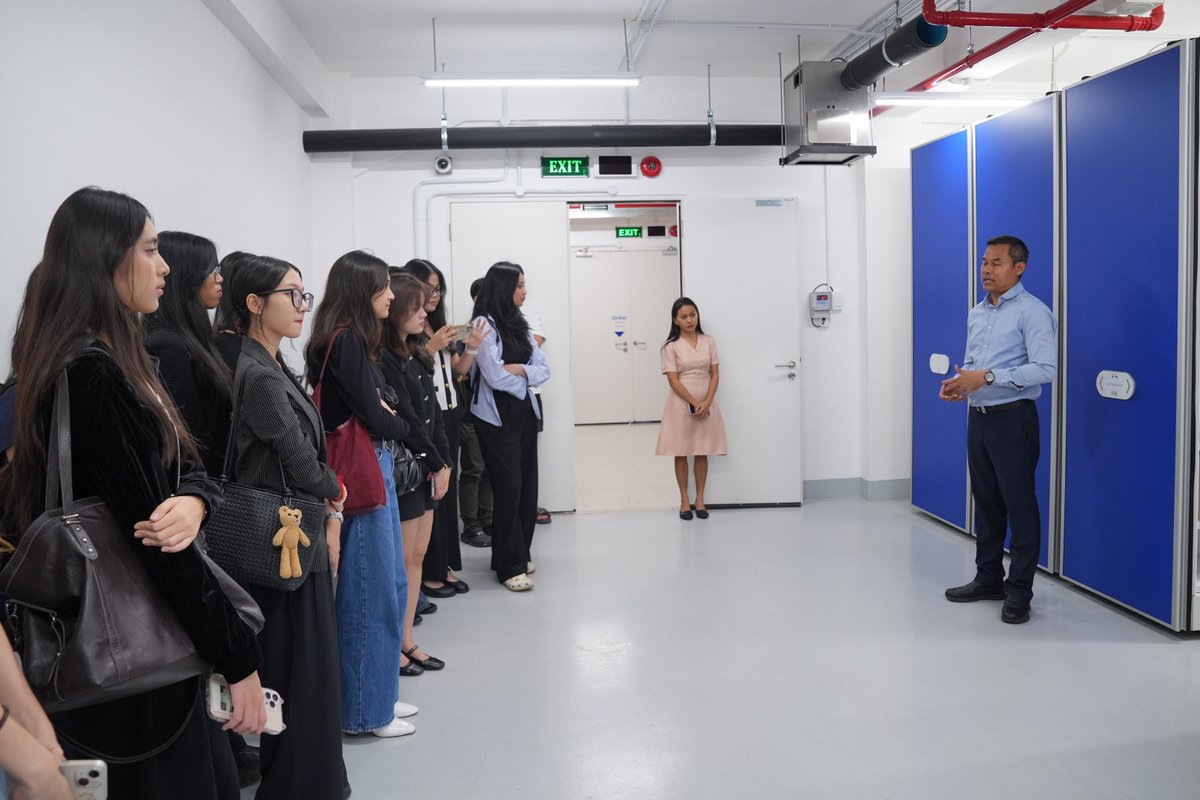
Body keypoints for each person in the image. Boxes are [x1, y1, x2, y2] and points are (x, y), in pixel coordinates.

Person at [0, 187, 266, 798]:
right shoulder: (89, 375)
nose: (165, 265)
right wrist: (238, 658)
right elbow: (156, 545)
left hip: (116, 650)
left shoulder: (111, 363)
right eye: (150, 249)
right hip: (128, 661)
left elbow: (187, 466)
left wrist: (195, 500)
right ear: (105, 260)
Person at [225, 254, 355, 797]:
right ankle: (300, 784)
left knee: (309, 666)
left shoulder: (271, 363)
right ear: (255, 304)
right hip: (282, 538)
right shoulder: (256, 372)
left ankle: (311, 779)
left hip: (296, 532)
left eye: (305, 295)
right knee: (299, 668)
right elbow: (299, 460)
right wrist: (335, 492)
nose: (303, 306)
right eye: (292, 295)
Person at [144, 232, 260, 787]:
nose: (220, 280)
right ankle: (228, 748)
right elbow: (185, 445)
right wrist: (199, 498)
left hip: (208, 500)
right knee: (208, 629)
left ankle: (230, 747)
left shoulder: (195, 340)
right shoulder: (168, 345)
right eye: (212, 270)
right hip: (196, 507)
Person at [304, 250, 414, 737]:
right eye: (384, 286)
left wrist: (393, 416)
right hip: (364, 473)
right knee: (369, 595)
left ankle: (380, 694)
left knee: (388, 586)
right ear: (361, 291)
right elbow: (376, 414)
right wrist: (401, 421)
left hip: (374, 467)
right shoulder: (345, 342)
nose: (391, 295)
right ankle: (366, 712)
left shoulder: (349, 341)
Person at [940, 235, 1057, 625]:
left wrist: (986, 376)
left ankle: (1019, 591)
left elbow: (1045, 369)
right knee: (987, 504)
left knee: (1020, 507)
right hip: (980, 418)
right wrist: (962, 384)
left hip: (1014, 420)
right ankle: (989, 578)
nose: (986, 270)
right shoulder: (978, 312)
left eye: (996, 263)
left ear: (1018, 267)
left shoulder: (1033, 312)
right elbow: (974, 363)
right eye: (984, 263)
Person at [380, 271, 463, 676]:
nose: (423, 313)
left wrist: (444, 461)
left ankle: (407, 639)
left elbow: (435, 417)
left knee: (416, 556)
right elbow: (409, 421)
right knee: (401, 560)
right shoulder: (385, 361)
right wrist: (435, 463)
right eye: (414, 307)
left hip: (428, 465)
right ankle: (394, 642)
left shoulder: (416, 354)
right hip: (409, 469)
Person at [468, 262, 550, 591]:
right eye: (519, 285)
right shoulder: (483, 323)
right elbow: (493, 375)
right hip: (495, 416)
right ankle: (508, 565)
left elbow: (543, 368)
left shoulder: (520, 322)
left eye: (525, 285)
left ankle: (519, 551)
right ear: (503, 288)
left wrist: (521, 371)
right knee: (509, 487)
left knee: (528, 485)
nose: (524, 291)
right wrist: (521, 375)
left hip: (524, 412)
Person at [401, 259, 468, 597]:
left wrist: (470, 349)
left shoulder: (437, 325)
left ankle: (444, 565)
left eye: (439, 288)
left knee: (447, 491)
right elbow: (411, 371)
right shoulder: (409, 331)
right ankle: (430, 571)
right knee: (431, 494)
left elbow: (457, 373)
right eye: (429, 287)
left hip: (448, 412)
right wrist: (433, 347)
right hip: (425, 416)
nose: (435, 295)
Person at [655, 297, 728, 519]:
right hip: (680, 404)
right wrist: (694, 402)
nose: (689, 320)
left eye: (692, 315)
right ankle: (684, 500)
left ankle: (700, 499)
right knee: (681, 451)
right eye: (684, 316)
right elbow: (673, 381)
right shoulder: (670, 347)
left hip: (706, 402)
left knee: (701, 450)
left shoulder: (708, 341)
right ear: (675, 320)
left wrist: (706, 401)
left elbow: (714, 374)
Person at [456, 277, 493, 548]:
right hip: (468, 412)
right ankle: (470, 525)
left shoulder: (500, 330)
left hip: (491, 413)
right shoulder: (464, 332)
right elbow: (460, 371)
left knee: (489, 468)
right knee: (473, 468)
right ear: (476, 299)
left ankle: (487, 519)